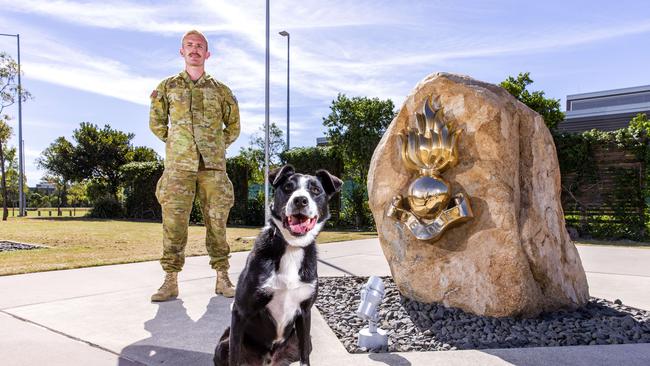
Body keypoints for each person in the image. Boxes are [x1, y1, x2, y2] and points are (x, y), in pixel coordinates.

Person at [149, 30, 240, 301]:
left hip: (213, 167)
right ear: (182, 51)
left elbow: (233, 126)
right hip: (179, 167)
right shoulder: (167, 87)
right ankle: (170, 281)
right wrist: (178, 143)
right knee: (174, 223)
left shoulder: (221, 90)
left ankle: (222, 278)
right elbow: (156, 123)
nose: (194, 49)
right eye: (189, 45)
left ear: (207, 54)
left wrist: (216, 144)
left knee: (217, 222)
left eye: (200, 46)